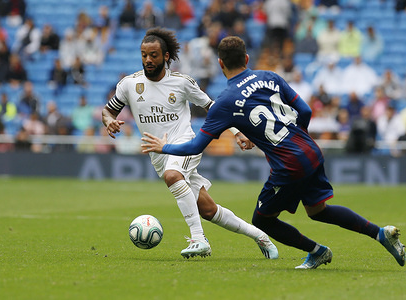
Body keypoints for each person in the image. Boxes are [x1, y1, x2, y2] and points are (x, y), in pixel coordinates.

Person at [141, 36, 405, 269]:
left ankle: (318, 252)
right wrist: (297, 138)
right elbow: (305, 111)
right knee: (318, 211)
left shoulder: (225, 102)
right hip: (311, 150)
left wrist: (163, 147)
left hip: (289, 165)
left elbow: (195, 146)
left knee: (263, 220)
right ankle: (380, 233)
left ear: (220, 64)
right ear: (246, 58)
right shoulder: (270, 76)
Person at [102, 28, 278, 259]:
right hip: (158, 155)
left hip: (184, 144)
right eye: (144, 55)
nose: (148, 60)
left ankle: (198, 239)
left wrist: (237, 131)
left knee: (173, 175)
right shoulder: (129, 85)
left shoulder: (181, 83)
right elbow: (108, 110)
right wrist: (109, 121)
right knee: (208, 210)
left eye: (153, 55)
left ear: (165, 56)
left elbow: (213, 108)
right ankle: (260, 236)